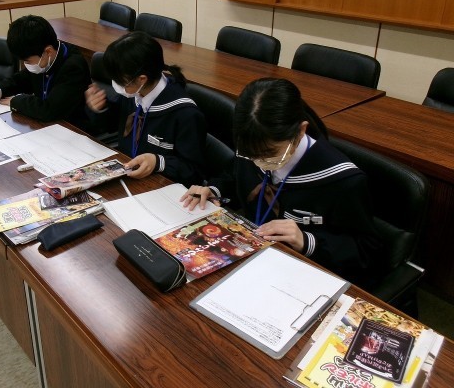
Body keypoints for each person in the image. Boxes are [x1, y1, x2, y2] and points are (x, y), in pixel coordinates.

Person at [180, 78, 381, 287]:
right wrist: (214, 190)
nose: (259, 162)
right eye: (251, 155)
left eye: (269, 154)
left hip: (304, 274)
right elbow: (234, 175)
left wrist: (306, 240)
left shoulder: (343, 181)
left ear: (300, 131)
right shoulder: (252, 146)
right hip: (250, 258)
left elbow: (367, 251)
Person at [85, 31, 206, 187]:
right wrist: (100, 108)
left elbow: (194, 172)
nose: (117, 86)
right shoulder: (133, 93)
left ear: (141, 79)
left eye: (120, 82)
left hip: (160, 186)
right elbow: (111, 124)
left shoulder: (185, 114)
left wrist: (158, 162)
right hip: (127, 174)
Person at [0, 15, 91, 130]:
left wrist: (16, 101)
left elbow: (50, 110)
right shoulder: (43, 58)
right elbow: (20, 80)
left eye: (27, 61)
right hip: (45, 126)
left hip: (72, 129)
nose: (26, 65)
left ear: (48, 51)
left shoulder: (73, 67)